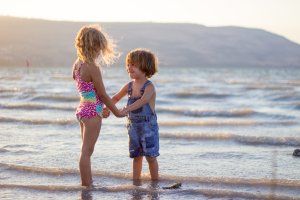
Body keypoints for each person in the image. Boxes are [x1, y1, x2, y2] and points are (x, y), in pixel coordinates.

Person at [72, 24, 126, 186]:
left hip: (83, 111)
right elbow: (102, 94)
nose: (101, 52)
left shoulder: (77, 65)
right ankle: (87, 186)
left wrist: (100, 108)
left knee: (85, 151)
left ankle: (86, 183)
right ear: (95, 47)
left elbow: (86, 91)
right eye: (100, 48)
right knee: (86, 152)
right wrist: (116, 112)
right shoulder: (93, 67)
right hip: (92, 115)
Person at [112, 48, 160, 181]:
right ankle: (136, 183)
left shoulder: (149, 87)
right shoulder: (128, 86)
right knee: (136, 156)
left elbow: (142, 101)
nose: (129, 67)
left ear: (145, 66)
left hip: (148, 128)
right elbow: (115, 98)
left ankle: (155, 183)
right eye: (128, 64)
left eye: (133, 64)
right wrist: (106, 108)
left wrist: (126, 109)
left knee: (151, 157)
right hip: (133, 128)